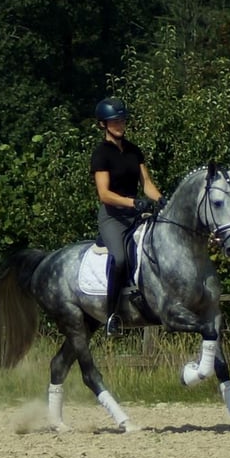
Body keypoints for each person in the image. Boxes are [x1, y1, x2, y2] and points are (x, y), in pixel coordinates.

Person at [90, 97, 166, 336]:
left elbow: (147, 184)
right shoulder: (101, 154)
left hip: (136, 214)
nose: (120, 125)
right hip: (113, 217)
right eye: (115, 121)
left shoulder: (134, 150)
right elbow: (104, 194)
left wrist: (162, 200)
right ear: (103, 124)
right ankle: (112, 315)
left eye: (122, 120)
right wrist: (132, 202)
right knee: (120, 258)